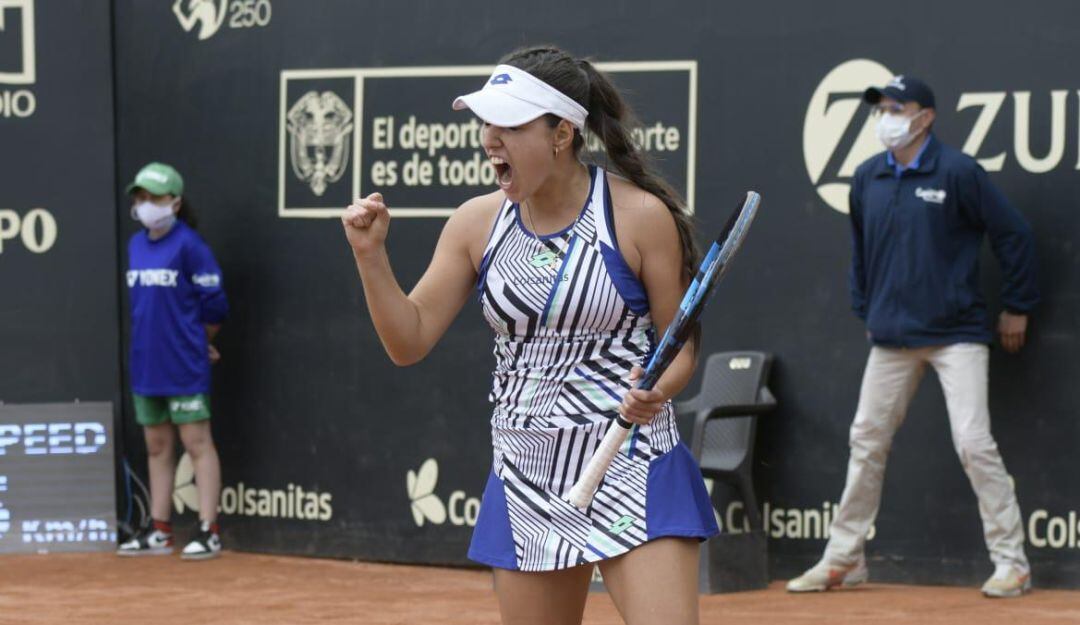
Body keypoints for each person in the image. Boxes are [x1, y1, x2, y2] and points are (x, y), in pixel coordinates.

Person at [342, 46, 718, 624]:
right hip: (527, 471)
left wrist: (658, 389)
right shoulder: (475, 222)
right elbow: (408, 341)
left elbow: (680, 347)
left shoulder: (639, 217)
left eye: (510, 124)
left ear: (561, 133)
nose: (490, 137)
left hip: (633, 462)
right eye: (487, 122)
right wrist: (371, 257)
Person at [786, 76, 1039, 598]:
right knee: (866, 440)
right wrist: (867, 306)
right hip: (891, 337)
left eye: (895, 107)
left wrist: (1017, 305)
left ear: (925, 117)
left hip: (957, 335)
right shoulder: (867, 177)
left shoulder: (959, 171)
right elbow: (860, 251)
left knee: (974, 443)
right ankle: (844, 558)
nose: (885, 117)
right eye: (879, 108)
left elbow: (1013, 233)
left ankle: (1013, 563)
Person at [117, 162, 228, 560]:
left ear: (175, 202)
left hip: (184, 364)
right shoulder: (135, 245)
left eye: (154, 197)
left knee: (197, 443)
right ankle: (160, 531)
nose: (145, 204)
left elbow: (215, 306)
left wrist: (199, 341)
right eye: (140, 196)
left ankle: (207, 529)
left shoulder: (190, 247)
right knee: (157, 445)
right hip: (147, 363)